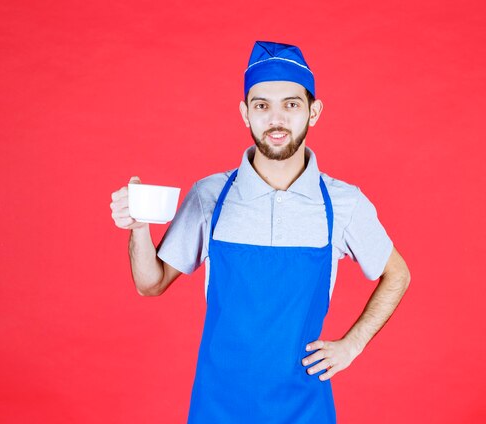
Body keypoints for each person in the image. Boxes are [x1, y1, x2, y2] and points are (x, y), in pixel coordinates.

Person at [110, 40, 411, 423]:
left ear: (313, 112)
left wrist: (353, 344)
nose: (276, 119)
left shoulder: (343, 203)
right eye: (262, 105)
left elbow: (397, 273)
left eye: (291, 104)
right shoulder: (210, 196)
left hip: (304, 406)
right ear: (245, 113)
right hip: (218, 403)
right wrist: (138, 228)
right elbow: (150, 284)